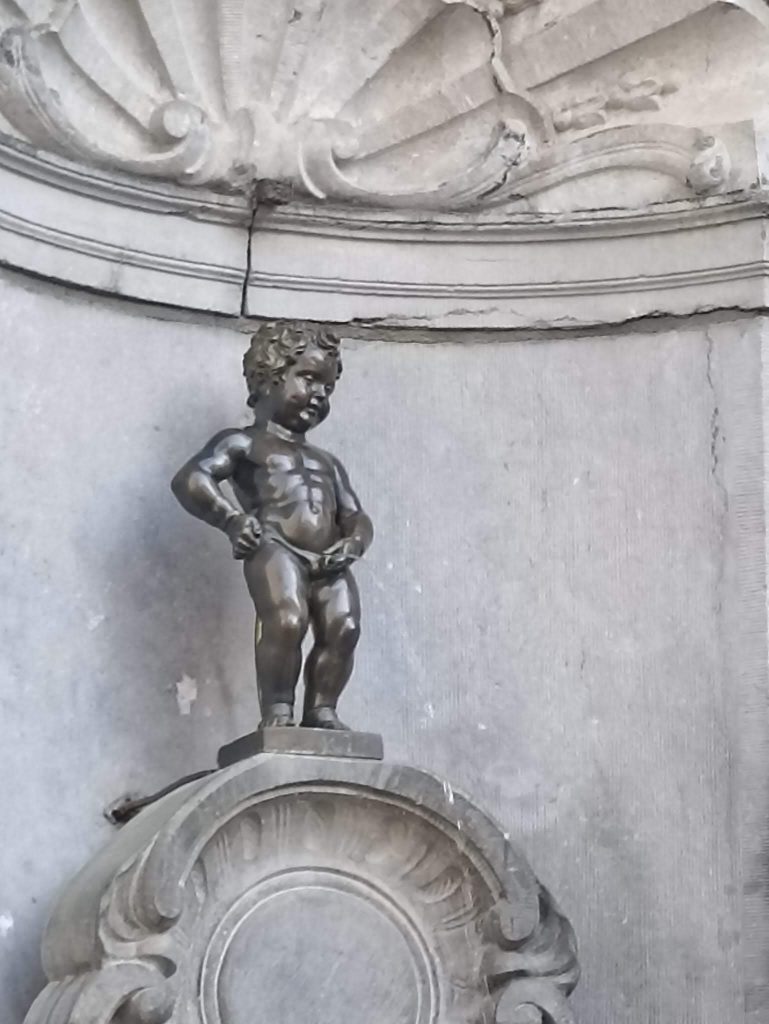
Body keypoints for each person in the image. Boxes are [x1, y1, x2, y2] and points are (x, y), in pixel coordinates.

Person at [171, 320, 373, 730]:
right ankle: (279, 710)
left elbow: (355, 514)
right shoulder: (243, 442)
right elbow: (192, 478)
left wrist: (353, 543)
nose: (320, 394)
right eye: (309, 379)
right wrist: (231, 520)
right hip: (276, 546)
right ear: (269, 377)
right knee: (286, 620)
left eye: (328, 387)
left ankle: (322, 710)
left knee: (344, 627)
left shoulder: (327, 462)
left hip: (330, 557)